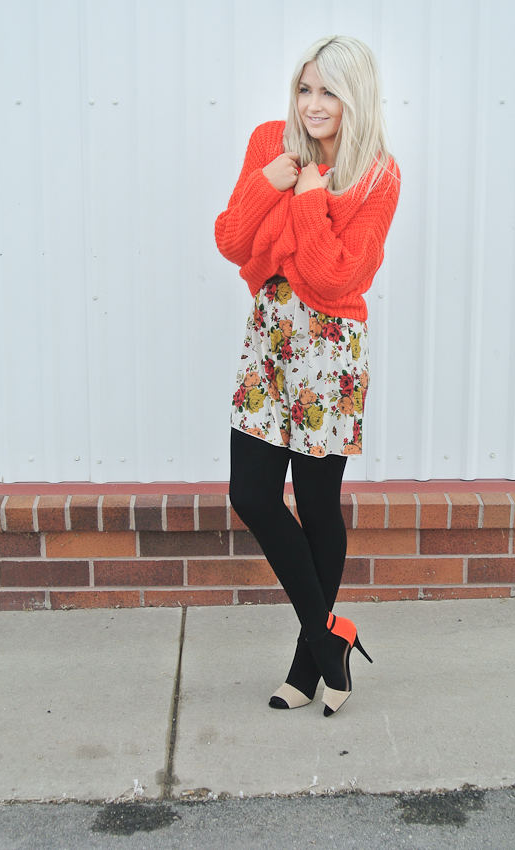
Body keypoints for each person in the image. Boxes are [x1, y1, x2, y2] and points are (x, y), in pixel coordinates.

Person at [215, 35, 400, 716]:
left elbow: (332, 277)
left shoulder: (378, 175)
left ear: (356, 98)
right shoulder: (271, 142)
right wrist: (271, 181)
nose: (312, 104)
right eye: (304, 88)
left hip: (329, 350)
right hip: (269, 338)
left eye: (329, 92)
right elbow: (232, 239)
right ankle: (331, 639)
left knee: (318, 505)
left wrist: (308, 197)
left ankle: (306, 664)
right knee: (252, 493)